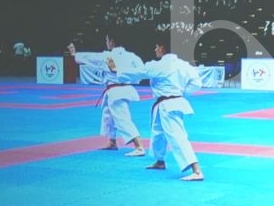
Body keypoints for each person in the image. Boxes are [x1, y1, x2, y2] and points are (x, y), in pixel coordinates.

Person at [108, 36, 205, 181]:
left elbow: (140, 72)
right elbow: (197, 83)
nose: (155, 49)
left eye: (156, 46)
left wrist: (117, 70)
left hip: (168, 105)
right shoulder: (183, 65)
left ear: (162, 48)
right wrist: (182, 92)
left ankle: (196, 170)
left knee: (177, 136)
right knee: (158, 133)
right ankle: (160, 161)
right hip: (172, 102)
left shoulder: (159, 65)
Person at [69, 37, 146, 157]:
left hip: (116, 92)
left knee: (122, 118)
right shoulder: (132, 56)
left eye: (106, 40)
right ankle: (112, 142)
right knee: (108, 116)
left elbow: (90, 57)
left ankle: (139, 146)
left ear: (112, 41)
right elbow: (142, 71)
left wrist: (75, 54)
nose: (106, 43)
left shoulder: (107, 56)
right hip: (122, 89)